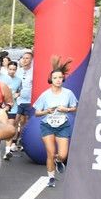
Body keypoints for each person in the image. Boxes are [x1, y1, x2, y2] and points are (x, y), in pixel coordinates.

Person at [34, 59, 78, 188]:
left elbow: (75, 108)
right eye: (55, 78)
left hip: (62, 125)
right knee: (50, 153)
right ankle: (51, 177)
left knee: (63, 154)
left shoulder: (68, 93)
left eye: (60, 77)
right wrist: (46, 111)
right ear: (51, 79)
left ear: (63, 79)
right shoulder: (45, 95)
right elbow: (37, 113)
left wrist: (67, 110)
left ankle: (59, 161)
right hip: (47, 125)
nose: (58, 80)